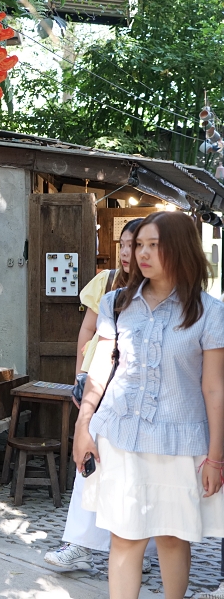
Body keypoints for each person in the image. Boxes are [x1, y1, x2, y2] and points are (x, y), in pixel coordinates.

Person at [75, 211, 224, 599]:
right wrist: (83, 428)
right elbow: (100, 370)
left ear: (179, 249)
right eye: (139, 244)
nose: (142, 253)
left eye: (153, 245)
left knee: (174, 538)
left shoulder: (209, 311)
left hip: (181, 442)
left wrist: (216, 457)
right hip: (121, 436)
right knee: (125, 537)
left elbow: (214, 389)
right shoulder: (115, 303)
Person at [45, 219, 153, 572]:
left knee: (140, 468)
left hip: (138, 392)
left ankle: (141, 549)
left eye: (134, 245)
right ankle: (79, 544)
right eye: (123, 244)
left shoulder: (161, 291)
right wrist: (80, 376)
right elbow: (87, 332)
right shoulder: (107, 283)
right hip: (99, 386)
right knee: (89, 462)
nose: (126, 252)